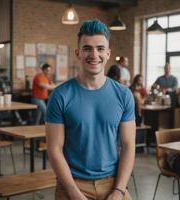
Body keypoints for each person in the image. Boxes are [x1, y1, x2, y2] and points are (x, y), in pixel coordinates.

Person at [46, 19, 136, 200]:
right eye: (87, 48)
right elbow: (54, 149)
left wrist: (119, 190)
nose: (94, 54)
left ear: (108, 53)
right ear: (78, 53)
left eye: (100, 48)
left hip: (113, 182)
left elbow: (128, 145)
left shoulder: (124, 95)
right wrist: (73, 192)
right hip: (72, 182)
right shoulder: (60, 95)